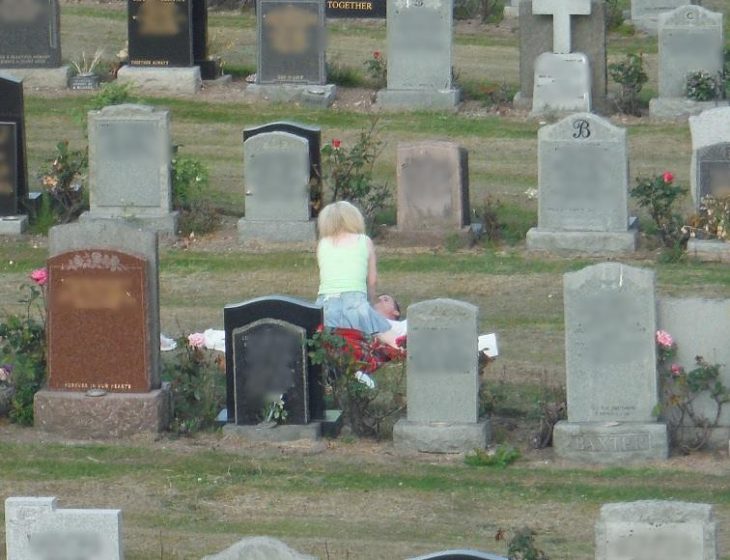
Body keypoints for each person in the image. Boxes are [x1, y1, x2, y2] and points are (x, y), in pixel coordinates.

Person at [315, 201, 397, 346]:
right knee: (385, 333)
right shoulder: (364, 241)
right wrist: (371, 301)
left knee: (330, 345)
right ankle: (402, 350)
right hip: (355, 301)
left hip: (325, 304)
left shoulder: (322, 244)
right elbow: (372, 280)